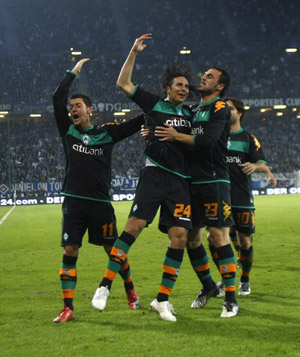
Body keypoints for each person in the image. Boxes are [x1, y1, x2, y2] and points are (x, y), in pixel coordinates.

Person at [92, 33, 193, 322]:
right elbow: (123, 83)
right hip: (154, 175)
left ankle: (162, 300)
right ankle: (105, 286)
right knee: (133, 227)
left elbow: (202, 141)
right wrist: (133, 52)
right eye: (179, 85)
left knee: (180, 236)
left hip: (179, 182)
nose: (184, 90)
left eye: (187, 86)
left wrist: (179, 136)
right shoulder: (154, 104)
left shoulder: (191, 115)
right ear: (167, 88)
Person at [52, 58, 144, 323]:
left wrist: (156, 107)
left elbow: (137, 122)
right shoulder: (67, 130)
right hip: (73, 203)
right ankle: (68, 308)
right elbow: (57, 97)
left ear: (89, 110)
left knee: (111, 250)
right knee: (70, 251)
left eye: (77, 106)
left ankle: (130, 290)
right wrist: (72, 73)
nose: (72, 110)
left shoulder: (107, 133)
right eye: (71, 108)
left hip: (100, 204)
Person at [155, 68, 239, 317]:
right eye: (203, 75)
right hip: (190, 183)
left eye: (210, 77)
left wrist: (176, 135)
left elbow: (207, 141)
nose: (203, 78)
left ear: (221, 86)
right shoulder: (192, 111)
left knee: (218, 236)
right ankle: (209, 287)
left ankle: (232, 300)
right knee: (192, 239)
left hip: (213, 181)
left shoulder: (220, 108)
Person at [208, 97, 277, 295]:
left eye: (229, 108)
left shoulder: (248, 138)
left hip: (241, 197)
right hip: (219, 196)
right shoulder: (215, 136)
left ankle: (245, 280)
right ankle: (225, 277)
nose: (225, 111)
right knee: (213, 239)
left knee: (245, 242)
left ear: (239, 113)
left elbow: (262, 165)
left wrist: (254, 166)